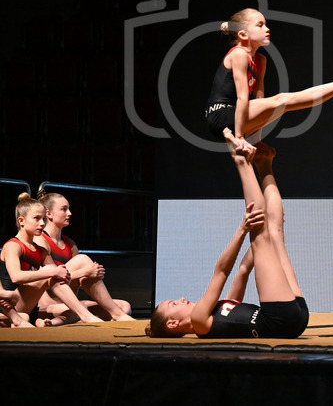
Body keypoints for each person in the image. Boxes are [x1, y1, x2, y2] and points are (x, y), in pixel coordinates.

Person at [146, 141, 309, 339]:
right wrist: (243, 231)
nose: (180, 299)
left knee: (273, 233)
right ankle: (242, 163)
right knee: (262, 234)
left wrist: (261, 250)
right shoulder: (198, 320)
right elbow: (221, 272)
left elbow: (243, 270)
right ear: (173, 324)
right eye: (173, 304)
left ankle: (264, 165)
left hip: (293, 318)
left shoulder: (217, 312)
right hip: (279, 320)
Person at [204, 7, 333, 156]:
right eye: (260, 25)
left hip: (237, 117)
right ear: (243, 34)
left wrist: (256, 140)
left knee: (282, 105)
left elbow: (260, 101)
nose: (267, 29)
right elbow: (243, 98)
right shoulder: (239, 54)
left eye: (266, 24)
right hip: (220, 117)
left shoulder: (261, 60)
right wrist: (239, 137)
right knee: (282, 99)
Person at [1, 193, 104, 326]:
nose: (42, 223)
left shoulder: (41, 251)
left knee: (77, 305)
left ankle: (75, 317)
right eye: (37, 218)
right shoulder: (13, 246)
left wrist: (83, 275)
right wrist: (53, 272)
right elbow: (16, 277)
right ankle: (87, 317)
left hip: (30, 307)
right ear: (21, 221)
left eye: (43, 219)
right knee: (51, 272)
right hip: (9, 305)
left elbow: (60, 276)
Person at [34, 192, 134, 324]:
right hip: (50, 305)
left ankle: (65, 321)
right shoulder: (40, 240)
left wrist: (94, 277)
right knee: (83, 260)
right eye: (64, 209)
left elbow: (80, 281)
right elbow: (46, 281)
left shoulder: (70, 243)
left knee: (124, 306)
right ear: (49, 214)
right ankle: (115, 315)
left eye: (69, 209)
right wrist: (85, 272)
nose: (69, 213)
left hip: (72, 304)